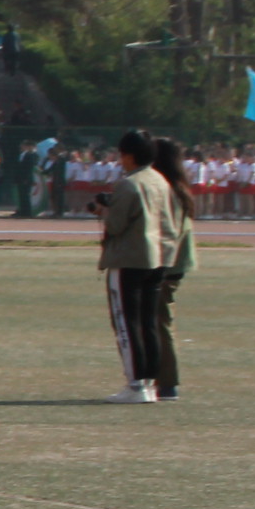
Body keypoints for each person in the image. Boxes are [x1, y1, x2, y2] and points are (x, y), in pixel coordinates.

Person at [94, 130, 178, 405]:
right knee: (148, 323)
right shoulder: (160, 181)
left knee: (126, 322)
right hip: (158, 258)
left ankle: (135, 384)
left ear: (129, 155)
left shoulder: (129, 184)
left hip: (129, 259)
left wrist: (102, 211)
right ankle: (150, 383)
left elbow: (116, 225)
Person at [146, 135, 195, 399]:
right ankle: (159, 379)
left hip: (165, 264)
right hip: (171, 262)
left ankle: (166, 382)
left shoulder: (168, 188)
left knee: (159, 322)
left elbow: (168, 232)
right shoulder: (177, 186)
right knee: (157, 321)